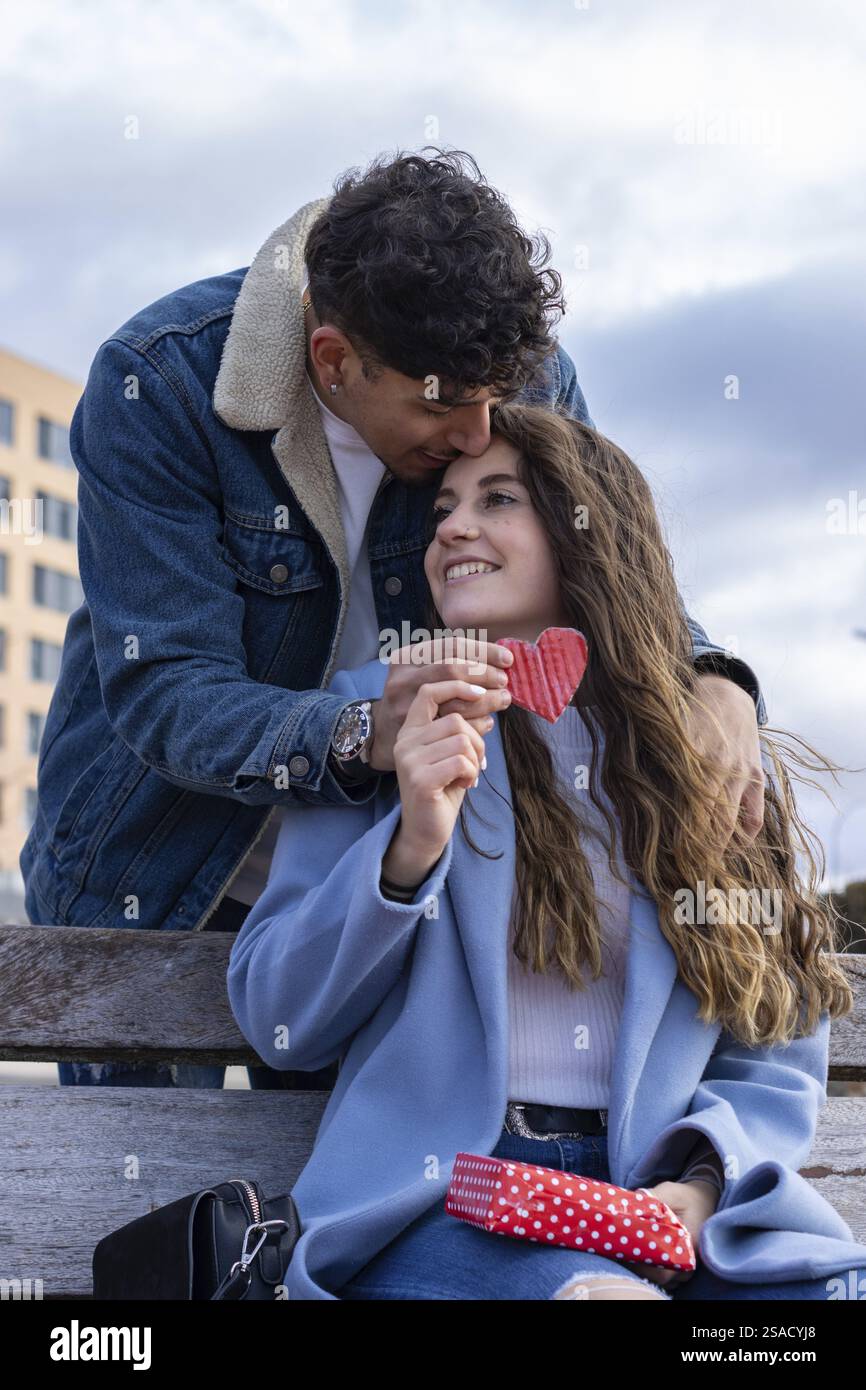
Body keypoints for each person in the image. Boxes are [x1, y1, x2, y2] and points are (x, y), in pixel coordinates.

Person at [22, 148, 765, 1090]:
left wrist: (714, 678)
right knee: (138, 1214)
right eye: (447, 407)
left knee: (337, 1200)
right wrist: (366, 731)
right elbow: (166, 686)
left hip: (370, 879)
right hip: (159, 872)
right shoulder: (159, 384)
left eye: (496, 401)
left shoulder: (514, 376)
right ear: (334, 359)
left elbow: (605, 567)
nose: (478, 433)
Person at [226, 402, 866, 1301]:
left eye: (497, 499)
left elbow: (772, 1038)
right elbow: (279, 1016)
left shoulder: (704, 751)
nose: (452, 526)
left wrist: (701, 1182)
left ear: (586, 532)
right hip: (442, 1201)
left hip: (666, 1194)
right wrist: (409, 848)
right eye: (443, 508)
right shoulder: (378, 717)